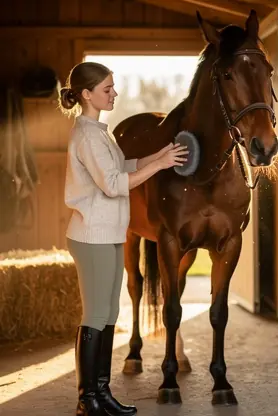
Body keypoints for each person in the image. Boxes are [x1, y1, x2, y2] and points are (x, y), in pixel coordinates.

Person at [59, 61, 188, 416]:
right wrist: (159, 167)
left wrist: (159, 155)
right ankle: (88, 400)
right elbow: (114, 184)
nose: (114, 93)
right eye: (107, 89)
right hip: (93, 236)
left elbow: (122, 167)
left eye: (113, 87)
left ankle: (102, 394)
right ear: (86, 95)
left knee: (110, 312)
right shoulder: (86, 135)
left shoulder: (100, 131)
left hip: (109, 233)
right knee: (96, 315)